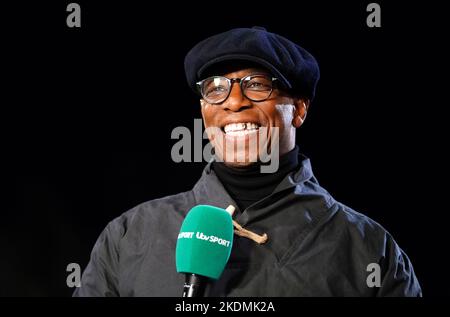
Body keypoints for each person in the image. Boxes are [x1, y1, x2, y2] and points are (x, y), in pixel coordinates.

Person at [74, 27, 422, 296]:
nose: (234, 101)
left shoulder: (368, 250)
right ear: (203, 110)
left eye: (257, 85)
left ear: (299, 110)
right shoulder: (129, 237)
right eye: (216, 87)